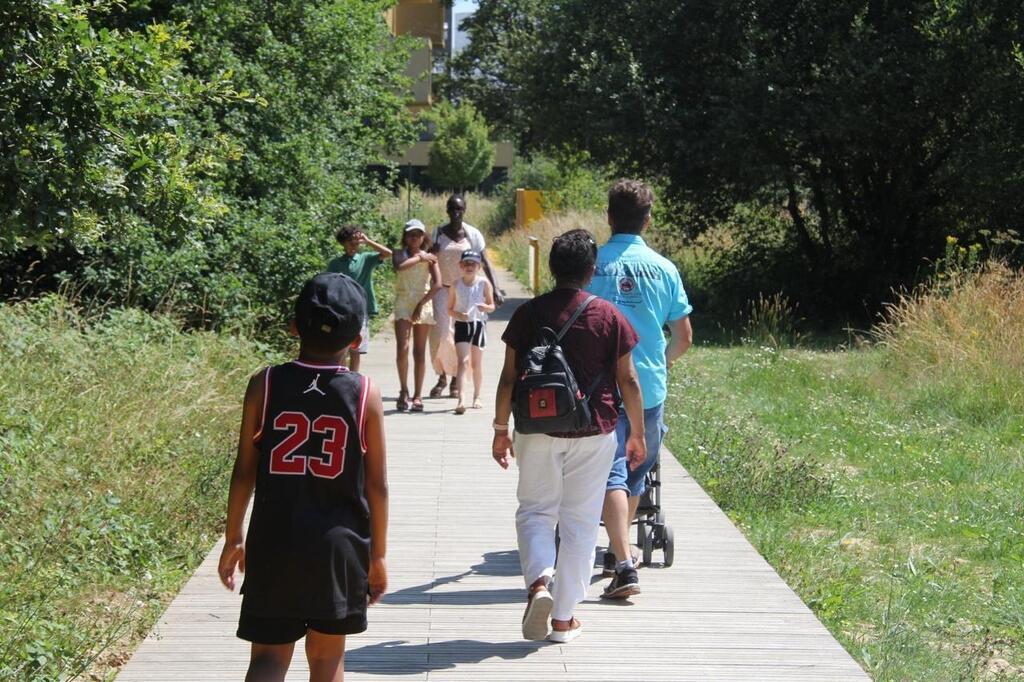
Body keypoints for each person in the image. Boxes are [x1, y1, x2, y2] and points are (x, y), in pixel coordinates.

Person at [218, 272, 389, 682]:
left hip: (273, 540)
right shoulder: (365, 393)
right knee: (327, 662)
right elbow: (377, 485)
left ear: (293, 326)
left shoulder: (266, 383)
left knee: (267, 661)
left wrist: (233, 537)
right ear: (357, 338)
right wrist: (378, 557)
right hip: (339, 548)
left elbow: (244, 470)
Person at [492, 229, 646, 643]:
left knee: (536, 511)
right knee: (579, 523)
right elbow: (628, 379)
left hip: (536, 428)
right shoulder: (609, 316)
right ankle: (563, 621)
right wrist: (637, 434)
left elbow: (509, 378)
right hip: (594, 430)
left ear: (551, 267)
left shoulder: (528, 314)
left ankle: (539, 581)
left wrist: (499, 429)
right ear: (591, 271)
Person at [586, 179, 693, 600]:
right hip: (646, 383)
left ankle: (617, 552)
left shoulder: (589, 264)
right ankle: (621, 551)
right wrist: (660, 363)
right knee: (633, 469)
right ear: (648, 220)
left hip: (595, 385)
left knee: (602, 467)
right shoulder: (665, 269)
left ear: (609, 218)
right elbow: (683, 335)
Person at [428, 194, 504, 398]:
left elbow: (485, 262)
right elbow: (428, 259)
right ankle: (442, 375)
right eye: (452, 209)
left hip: (467, 291)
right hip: (443, 290)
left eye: (459, 209)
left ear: (465, 210)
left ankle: (455, 379)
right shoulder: (437, 233)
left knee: (459, 335)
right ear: (447, 210)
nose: (455, 213)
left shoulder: (473, 235)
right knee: (441, 335)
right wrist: (431, 251)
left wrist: (495, 288)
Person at [327, 225, 393, 372]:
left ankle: (354, 378)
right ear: (343, 243)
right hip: (341, 310)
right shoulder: (335, 264)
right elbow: (329, 285)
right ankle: (341, 375)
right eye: (350, 242)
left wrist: (368, 241)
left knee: (356, 349)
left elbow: (388, 253)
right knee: (342, 347)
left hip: (360, 310)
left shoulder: (366, 259)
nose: (353, 246)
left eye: (356, 243)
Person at [392, 219, 442, 412]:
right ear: (405, 236)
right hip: (404, 302)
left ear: (424, 237)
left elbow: (438, 283)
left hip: (422, 303)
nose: (415, 238)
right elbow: (400, 266)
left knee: (419, 352)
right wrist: (421, 258)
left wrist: (421, 304)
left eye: (418, 234)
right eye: (411, 234)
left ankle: (417, 395)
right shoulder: (400, 254)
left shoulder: (431, 258)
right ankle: (403, 390)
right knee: (402, 348)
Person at [448, 250, 495, 415]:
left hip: (478, 325)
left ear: (479, 267)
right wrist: (459, 314)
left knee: (476, 364)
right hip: (462, 325)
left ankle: (477, 396)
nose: (469, 267)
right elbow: (450, 309)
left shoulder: (484, 283)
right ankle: (461, 399)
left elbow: (492, 305)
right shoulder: (455, 285)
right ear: (460, 266)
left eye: (473, 264)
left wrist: (485, 308)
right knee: (463, 362)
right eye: (466, 263)